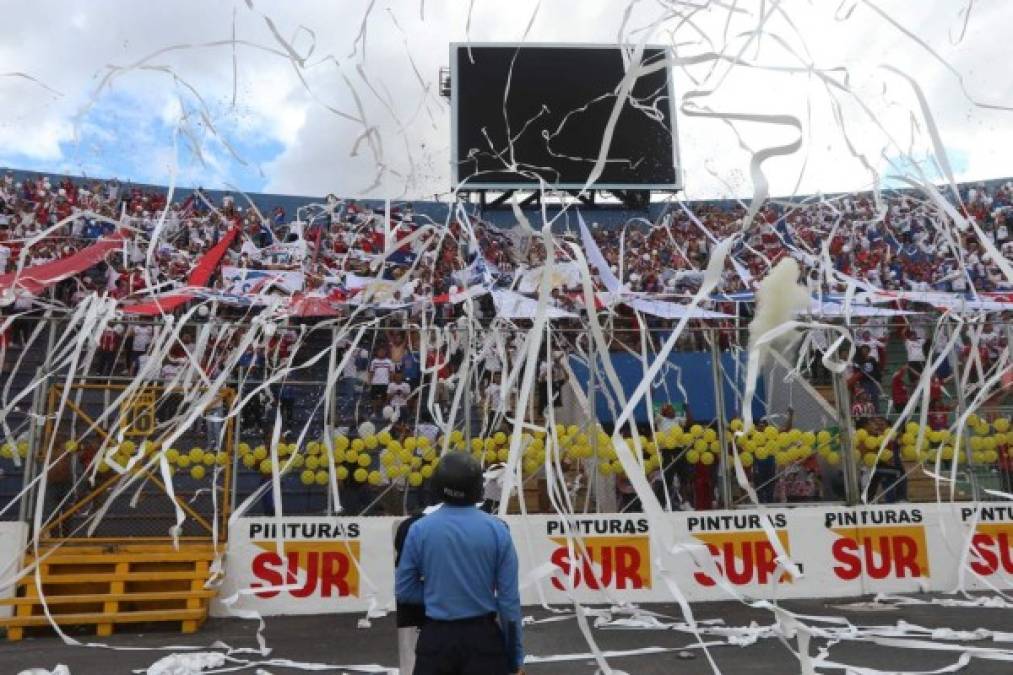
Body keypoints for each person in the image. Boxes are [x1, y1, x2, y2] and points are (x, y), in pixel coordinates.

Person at [395, 452, 524, 675]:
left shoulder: (418, 529)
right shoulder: (498, 531)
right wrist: (515, 658)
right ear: (478, 489)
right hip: (483, 641)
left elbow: (405, 590)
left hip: (436, 640)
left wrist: (442, 594)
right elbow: (509, 603)